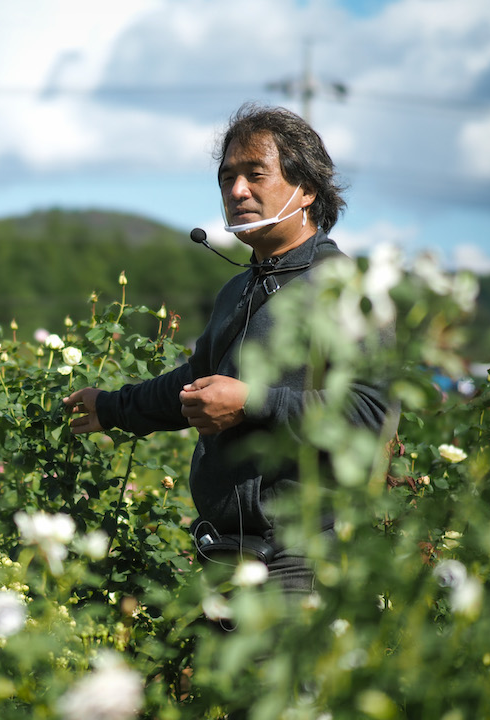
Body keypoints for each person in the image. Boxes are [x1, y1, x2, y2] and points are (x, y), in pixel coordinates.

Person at [63, 103, 395, 593]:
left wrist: (250, 403)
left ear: (306, 190)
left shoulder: (344, 290)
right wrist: (113, 407)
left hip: (305, 560)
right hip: (226, 554)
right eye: (227, 178)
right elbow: (193, 384)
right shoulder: (239, 290)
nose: (237, 191)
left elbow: (370, 415)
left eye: (255, 174)